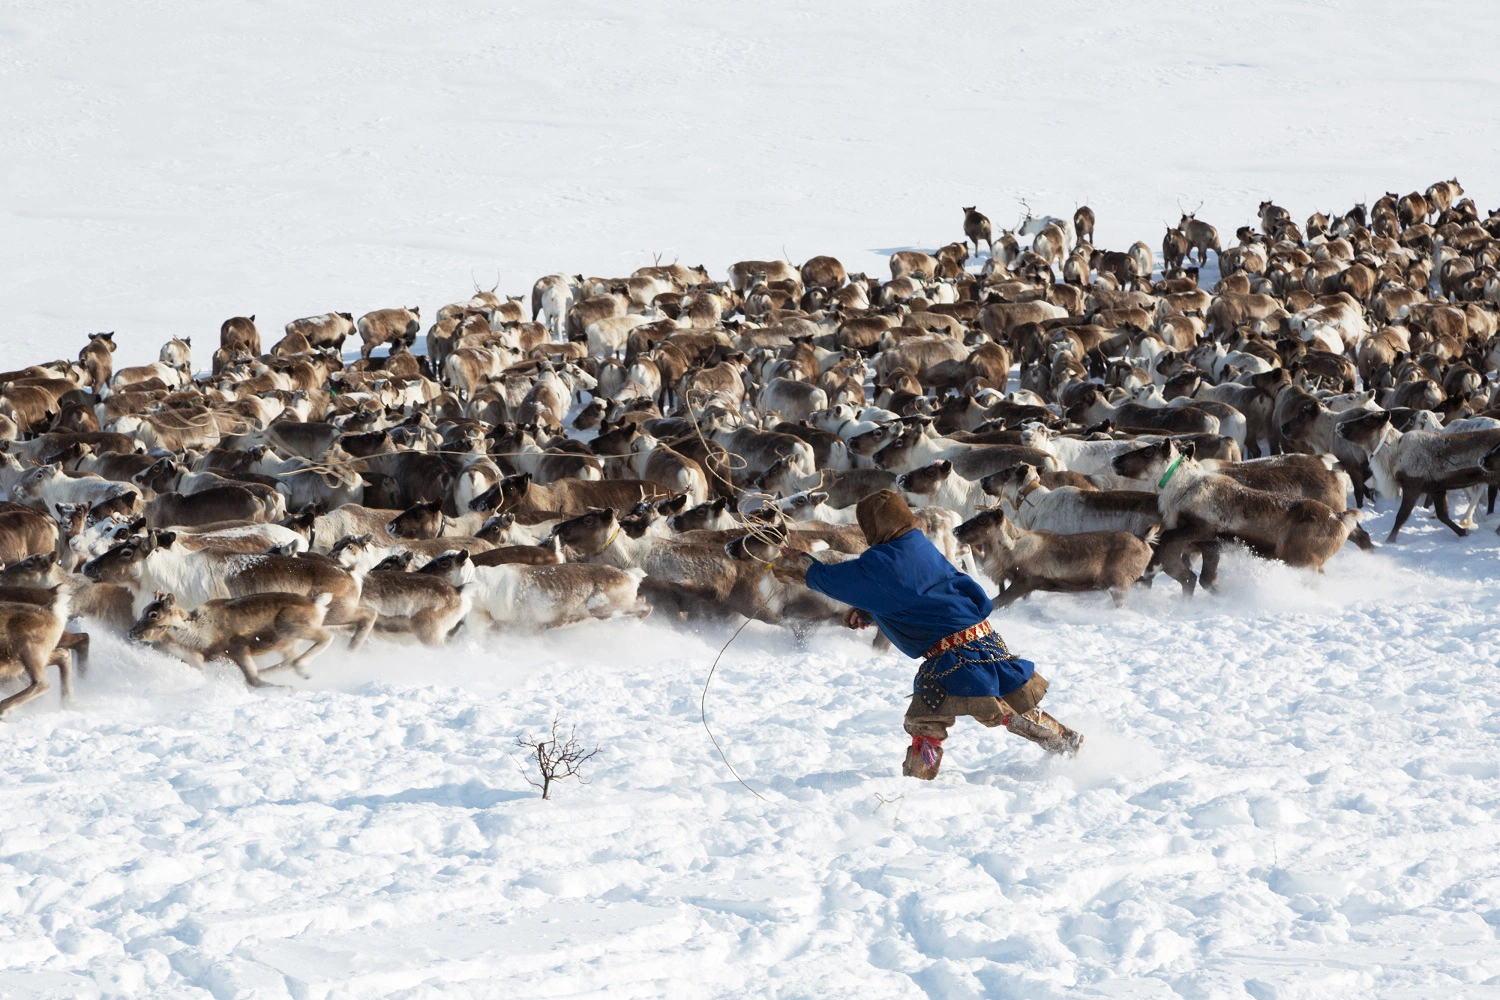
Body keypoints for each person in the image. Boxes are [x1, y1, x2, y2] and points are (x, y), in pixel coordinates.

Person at [773, 489, 1082, 779]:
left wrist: (802, 564)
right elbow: (915, 594)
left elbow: (833, 580)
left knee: (966, 711)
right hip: (980, 639)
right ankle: (1065, 742)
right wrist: (869, 612)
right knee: (959, 711)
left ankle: (916, 784)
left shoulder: (882, 562)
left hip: (955, 653)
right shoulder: (917, 545)